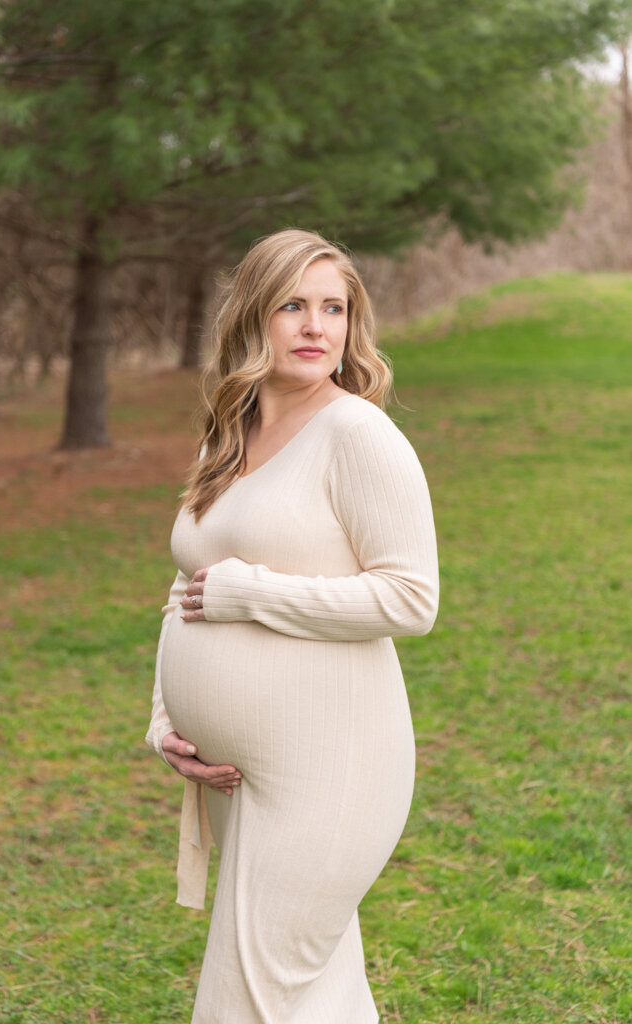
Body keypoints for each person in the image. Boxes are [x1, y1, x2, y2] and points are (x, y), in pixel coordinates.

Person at [145, 228, 439, 1024]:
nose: (317, 327)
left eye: (334, 308)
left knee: (247, 998)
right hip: (245, 773)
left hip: (333, 769)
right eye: (293, 306)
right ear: (253, 317)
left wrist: (256, 594)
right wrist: (167, 716)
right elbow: (191, 581)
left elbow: (412, 598)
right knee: (317, 993)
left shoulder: (358, 435)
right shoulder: (228, 433)